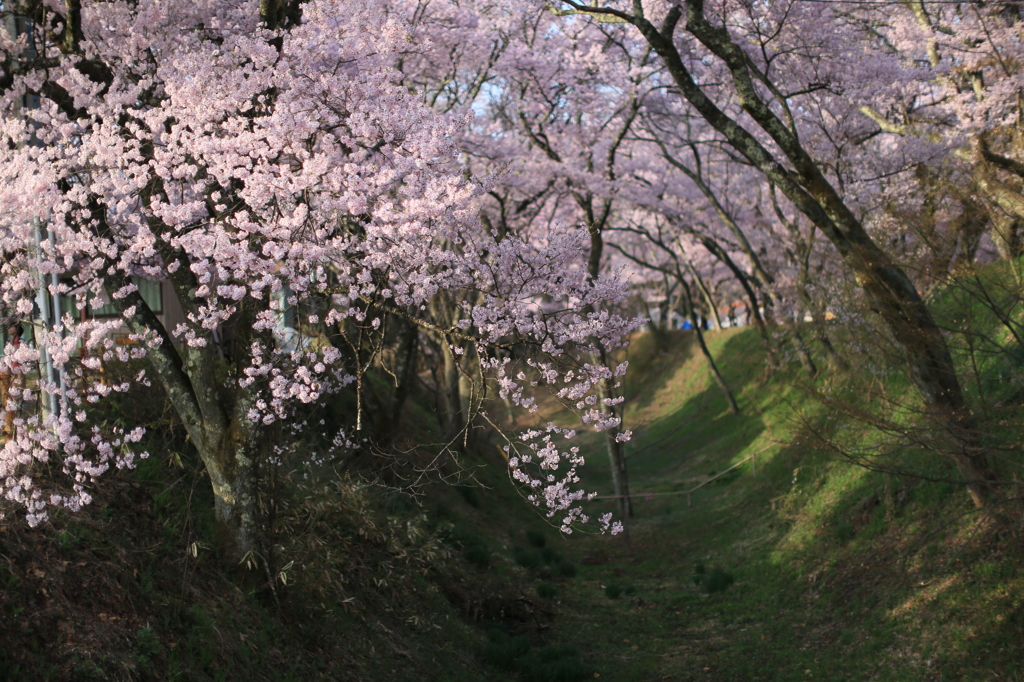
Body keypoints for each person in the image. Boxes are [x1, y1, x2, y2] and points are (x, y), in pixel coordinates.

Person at [0, 323, 23, 439]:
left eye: (12, 327)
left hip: (18, 369)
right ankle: (7, 424)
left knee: (16, 394)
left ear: (17, 330)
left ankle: (14, 420)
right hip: (9, 370)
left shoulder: (21, 342)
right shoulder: (8, 341)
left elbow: (23, 357)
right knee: (7, 396)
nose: (9, 329)